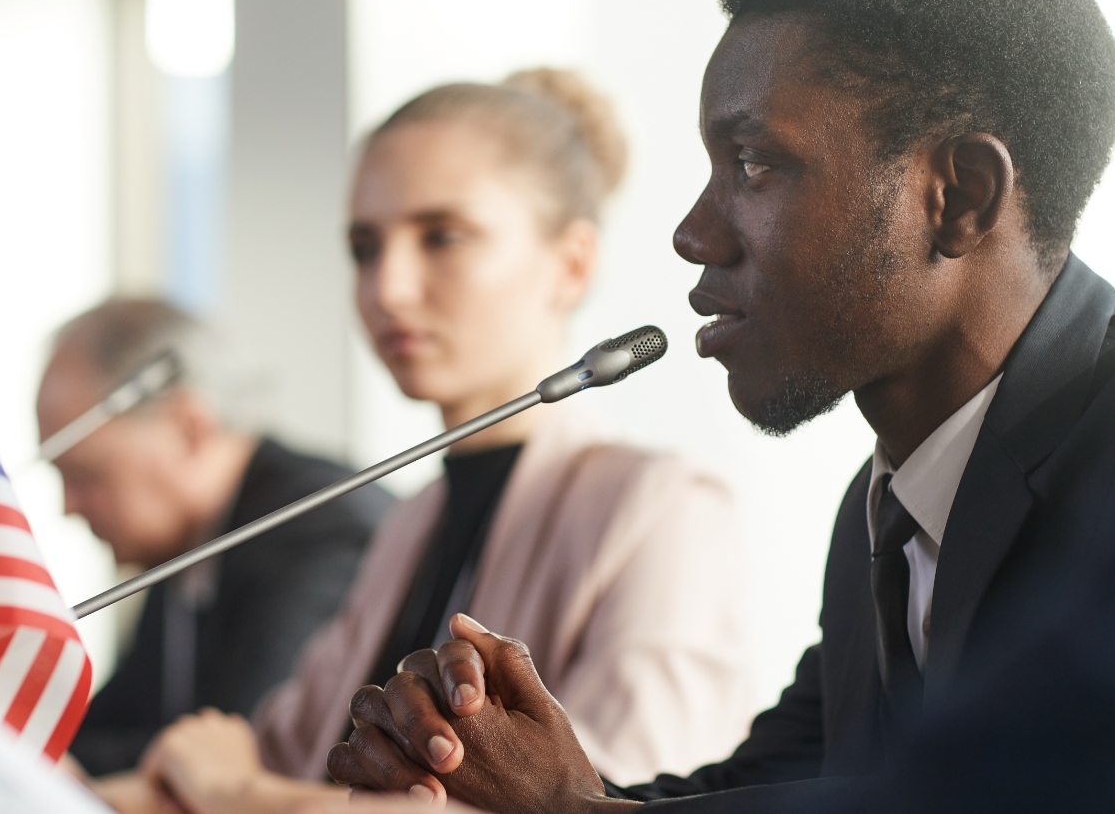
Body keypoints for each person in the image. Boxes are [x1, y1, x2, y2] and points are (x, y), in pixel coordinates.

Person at [323, 0, 1115, 810]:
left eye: (755, 162)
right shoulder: (879, 521)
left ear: (961, 195)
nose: (693, 233)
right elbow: (761, 791)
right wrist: (480, 773)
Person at [132, 70, 753, 813]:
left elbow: (604, 805)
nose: (388, 287)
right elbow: (282, 758)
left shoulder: (664, 507)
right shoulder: (411, 521)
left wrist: (237, 791)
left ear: (573, 263)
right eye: (365, 247)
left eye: (442, 236)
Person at [35, 300, 392, 789]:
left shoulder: (319, 531)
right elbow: (121, 722)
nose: (68, 506)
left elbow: (241, 749)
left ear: (189, 429)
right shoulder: (185, 543)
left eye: (85, 476)